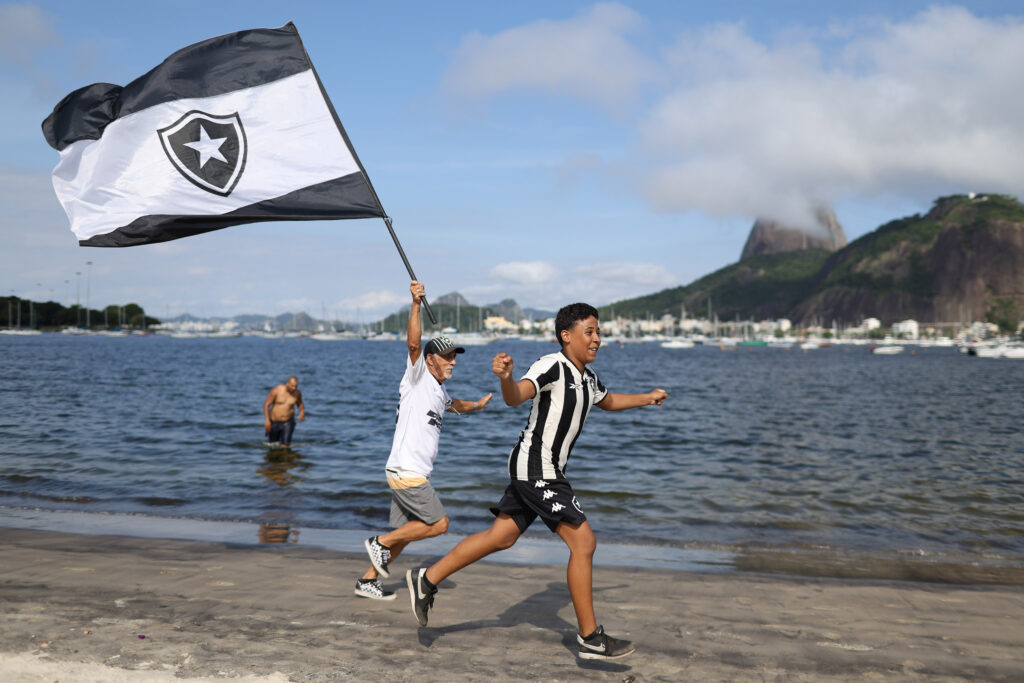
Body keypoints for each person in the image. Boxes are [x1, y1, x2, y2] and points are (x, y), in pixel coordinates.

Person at [405, 302, 667, 660]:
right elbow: (516, 397)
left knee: (501, 536)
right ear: (566, 335)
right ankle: (590, 637)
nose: (597, 339)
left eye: (598, 332)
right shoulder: (551, 366)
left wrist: (646, 398)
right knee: (584, 542)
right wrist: (505, 379)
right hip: (536, 468)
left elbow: (608, 401)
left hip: (544, 470)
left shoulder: (587, 378)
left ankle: (427, 578)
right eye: (589, 332)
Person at [356, 280, 494, 601]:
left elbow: (454, 404)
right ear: (431, 359)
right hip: (407, 472)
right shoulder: (417, 377)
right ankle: (379, 544)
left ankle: (367, 581)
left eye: (454, 357)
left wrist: (477, 405)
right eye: (447, 357)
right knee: (440, 524)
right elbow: (414, 345)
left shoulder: (438, 389)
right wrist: (416, 304)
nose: (453, 362)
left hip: (409, 472)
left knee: (404, 535)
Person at [263, 376, 304, 448]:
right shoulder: (277, 390)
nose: (294, 388)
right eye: (292, 386)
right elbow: (266, 405)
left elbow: (300, 404)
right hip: (274, 421)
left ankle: (286, 458)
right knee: (272, 445)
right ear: (287, 383)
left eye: (296, 386)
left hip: (288, 422)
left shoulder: (297, 393)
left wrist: (302, 412)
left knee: (285, 445)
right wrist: (267, 421)